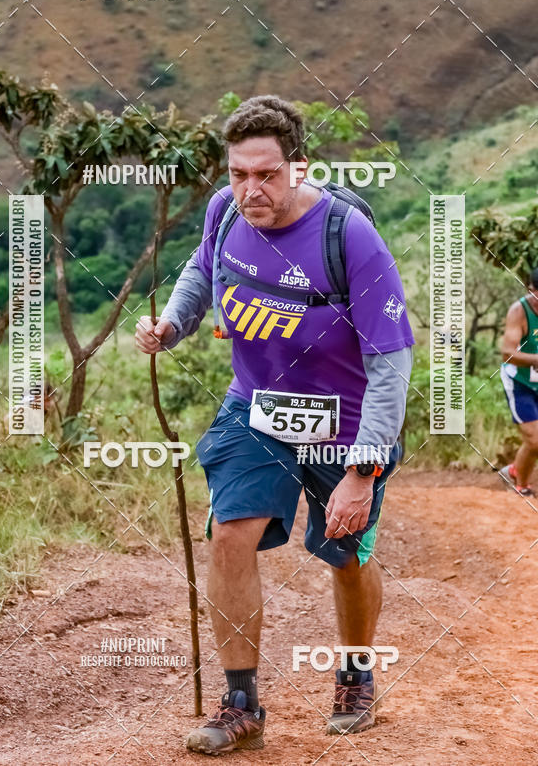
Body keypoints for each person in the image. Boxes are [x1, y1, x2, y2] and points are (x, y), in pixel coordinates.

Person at [135, 95, 414, 754]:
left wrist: (362, 471)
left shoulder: (349, 237)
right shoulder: (225, 211)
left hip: (346, 420)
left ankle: (355, 673)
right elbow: (204, 269)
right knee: (231, 532)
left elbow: (392, 361)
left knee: (346, 554)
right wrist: (172, 324)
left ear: (299, 168)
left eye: (266, 174)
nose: (251, 189)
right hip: (255, 404)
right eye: (239, 174)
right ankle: (241, 703)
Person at [499, 268, 538, 497]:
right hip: (519, 382)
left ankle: (514, 471)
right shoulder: (519, 311)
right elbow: (507, 353)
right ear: (531, 290)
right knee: (534, 440)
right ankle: (520, 481)